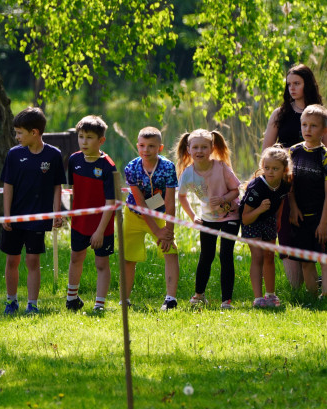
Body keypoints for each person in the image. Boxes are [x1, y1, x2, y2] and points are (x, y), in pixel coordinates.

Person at [261, 64, 327, 288]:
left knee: (315, 239)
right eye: (289, 84)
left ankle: (319, 288)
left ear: (307, 84)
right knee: (287, 233)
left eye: (297, 83)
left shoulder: (322, 116)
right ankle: (297, 288)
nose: (292, 88)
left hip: (314, 190)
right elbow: (266, 150)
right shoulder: (280, 113)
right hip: (284, 185)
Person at [0, 107, 65, 315]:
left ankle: (32, 304)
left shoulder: (53, 155)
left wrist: (56, 212)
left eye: (20, 133)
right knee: (12, 260)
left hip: (38, 218)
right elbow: (7, 186)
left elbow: (57, 186)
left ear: (34, 132)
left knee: (33, 260)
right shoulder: (14, 154)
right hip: (16, 217)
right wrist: (7, 214)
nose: (16, 137)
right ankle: (11, 302)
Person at [176, 129, 241, 309]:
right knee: (206, 256)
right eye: (195, 147)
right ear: (188, 149)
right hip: (207, 219)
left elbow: (236, 190)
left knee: (226, 254)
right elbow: (181, 196)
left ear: (212, 148)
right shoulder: (188, 173)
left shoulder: (221, 167)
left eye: (204, 147)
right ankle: (198, 295)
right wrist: (193, 216)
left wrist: (223, 199)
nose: (199, 151)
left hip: (231, 215)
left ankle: (226, 301)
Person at [64, 115, 117, 313]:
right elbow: (73, 192)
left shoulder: (108, 166)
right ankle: (71, 299)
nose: (83, 141)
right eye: (81, 136)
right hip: (80, 223)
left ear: (101, 141)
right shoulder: (74, 160)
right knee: (75, 258)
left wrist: (100, 231)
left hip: (102, 226)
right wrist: (72, 216)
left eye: (89, 137)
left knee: (101, 263)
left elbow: (110, 202)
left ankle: (99, 305)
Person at [122, 127, 179, 310]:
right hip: (134, 214)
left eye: (151, 146)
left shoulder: (168, 167)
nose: (146, 150)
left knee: (170, 250)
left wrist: (168, 231)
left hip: (159, 214)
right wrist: (157, 232)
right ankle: (125, 298)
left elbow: (170, 202)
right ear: (137, 145)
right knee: (128, 257)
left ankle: (170, 298)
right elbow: (140, 203)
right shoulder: (131, 168)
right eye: (142, 145)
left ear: (160, 148)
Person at [287, 105, 327, 297]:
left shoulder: (325, 157)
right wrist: (293, 208)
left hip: (321, 216)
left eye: (314, 126)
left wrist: (324, 223)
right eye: (304, 125)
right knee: (305, 259)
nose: (308, 130)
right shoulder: (293, 152)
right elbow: (289, 185)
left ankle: (325, 296)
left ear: (324, 131)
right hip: (299, 215)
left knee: (324, 258)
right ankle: (312, 297)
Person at [241, 147, 293, 308]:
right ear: (262, 166)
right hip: (252, 220)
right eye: (267, 168)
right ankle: (258, 298)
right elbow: (245, 218)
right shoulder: (256, 187)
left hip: (269, 219)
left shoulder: (285, 183)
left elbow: (282, 199)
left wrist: (277, 217)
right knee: (258, 256)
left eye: (275, 169)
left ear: (285, 170)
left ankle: (270, 295)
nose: (270, 172)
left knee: (269, 255)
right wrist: (260, 209)